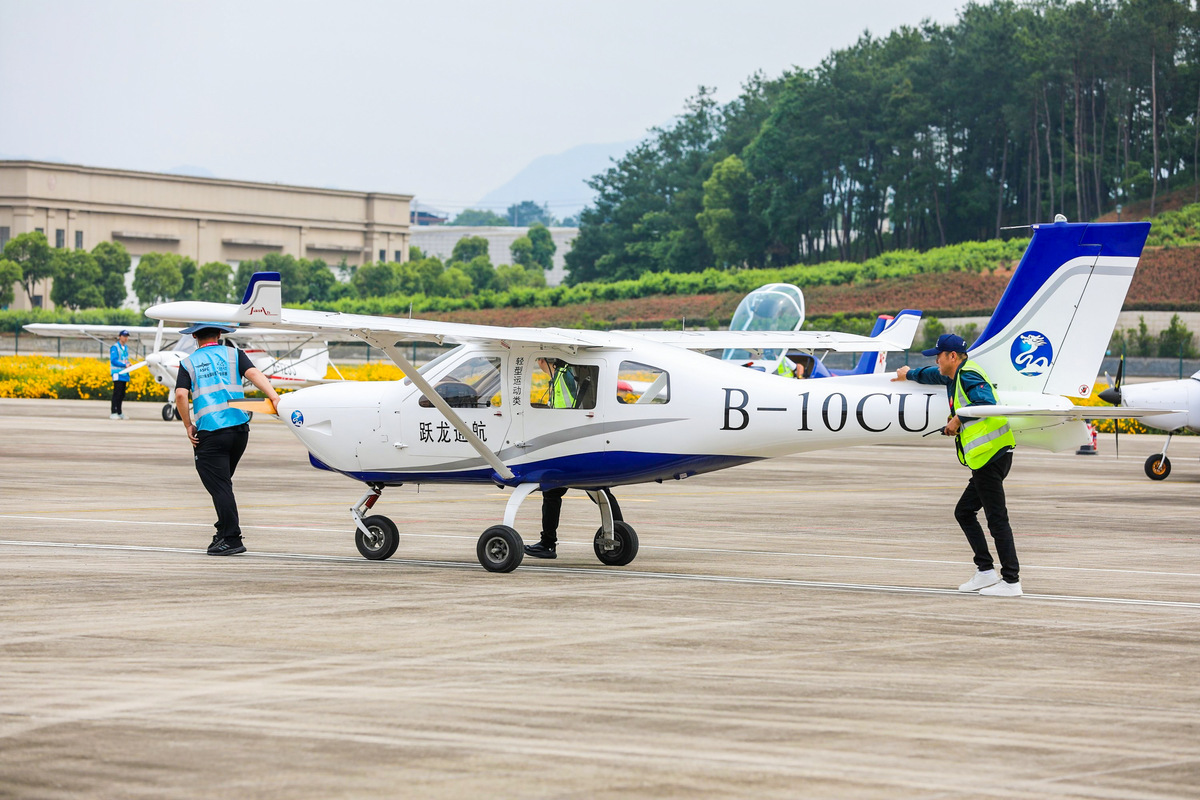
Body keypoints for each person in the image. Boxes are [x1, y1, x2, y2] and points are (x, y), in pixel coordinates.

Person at [892, 333, 1022, 597]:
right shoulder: (956, 375)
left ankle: (1011, 581)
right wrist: (910, 374)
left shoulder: (970, 375)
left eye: (938, 355)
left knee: (997, 520)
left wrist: (957, 420)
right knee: (964, 512)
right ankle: (985, 571)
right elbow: (933, 374)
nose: (936, 360)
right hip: (985, 457)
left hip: (991, 455)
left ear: (952, 356)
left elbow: (986, 403)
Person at [174, 322, 281, 557]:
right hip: (240, 430)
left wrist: (188, 425)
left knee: (220, 486)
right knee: (222, 484)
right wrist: (273, 397)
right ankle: (222, 532)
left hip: (212, 432)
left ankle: (231, 537)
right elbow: (254, 374)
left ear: (194, 336)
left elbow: (181, 394)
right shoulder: (234, 354)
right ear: (220, 334)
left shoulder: (188, 362)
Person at [524, 357, 578, 559]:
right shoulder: (568, 373)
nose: (537, 363)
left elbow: (563, 410)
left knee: (552, 492)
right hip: (576, 442)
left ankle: (547, 544)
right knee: (600, 489)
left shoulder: (562, 377)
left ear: (546, 361)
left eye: (539, 359)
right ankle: (616, 535)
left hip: (568, 444)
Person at [109, 330, 131, 419]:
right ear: (120, 336)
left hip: (124, 374)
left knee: (122, 394)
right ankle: (113, 412)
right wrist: (124, 365)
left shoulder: (125, 348)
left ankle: (119, 411)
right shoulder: (115, 347)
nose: (126, 338)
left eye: (127, 336)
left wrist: (129, 364)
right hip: (117, 373)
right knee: (117, 393)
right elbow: (113, 360)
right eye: (124, 336)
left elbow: (125, 359)